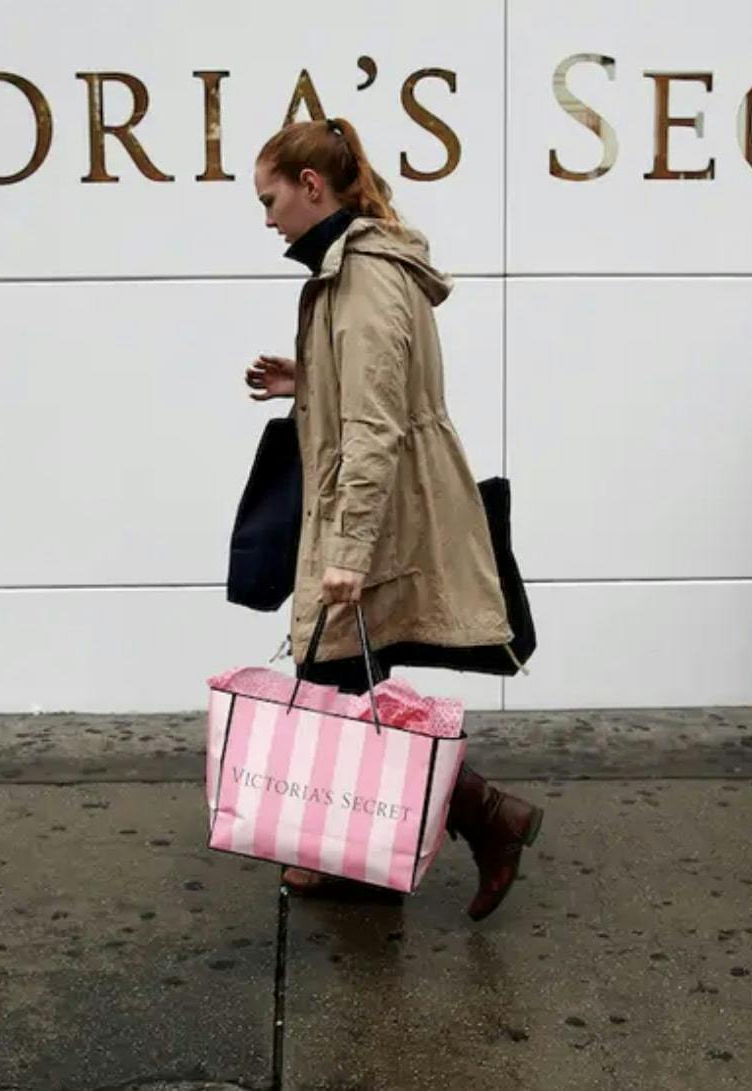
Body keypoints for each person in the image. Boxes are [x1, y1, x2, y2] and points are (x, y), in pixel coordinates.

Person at [242, 118, 542, 921]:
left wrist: (347, 552)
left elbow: (374, 427)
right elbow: (373, 389)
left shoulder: (366, 275)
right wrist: (307, 380)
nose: (265, 218)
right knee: (344, 687)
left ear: (312, 187)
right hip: (370, 505)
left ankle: (486, 815)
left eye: (270, 198)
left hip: (372, 515)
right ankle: (361, 856)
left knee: (336, 688)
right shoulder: (355, 269)